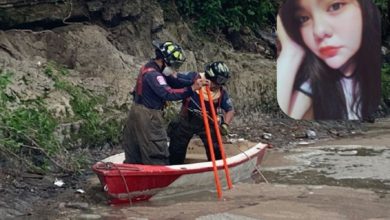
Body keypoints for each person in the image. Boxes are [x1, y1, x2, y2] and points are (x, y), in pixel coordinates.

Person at [277, 0, 381, 120]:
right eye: (303, 18)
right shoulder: (311, 86)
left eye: (335, 7)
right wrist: (291, 51)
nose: (319, 31)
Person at [122, 40, 205, 165]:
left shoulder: (152, 67)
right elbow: (168, 93)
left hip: (137, 111)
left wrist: (194, 80)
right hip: (148, 116)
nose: (174, 69)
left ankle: (137, 173)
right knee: (156, 150)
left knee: (136, 150)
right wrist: (192, 89)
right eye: (174, 65)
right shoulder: (154, 75)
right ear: (165, 60)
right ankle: (158, 179)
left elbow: (175, 81)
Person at [168, 61, 234, 165]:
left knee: (215, 148)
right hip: (187, 118)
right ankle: (174, 167)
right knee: (177, 146)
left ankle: (218, 167)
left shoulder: (221, 92)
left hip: (207, 121)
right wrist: (166, 71)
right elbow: (175, 77)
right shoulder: (194, 77)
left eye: (220, 84)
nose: (217, 86)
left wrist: (225, 124)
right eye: (216, 83)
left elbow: (230, 110)